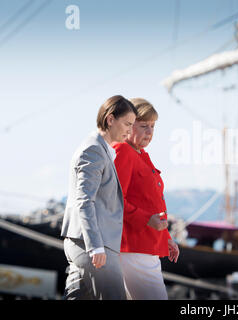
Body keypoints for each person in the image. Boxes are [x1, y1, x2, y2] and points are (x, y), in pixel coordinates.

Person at [61, 95, 137, 299]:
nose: (130, 131)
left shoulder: (101, 149)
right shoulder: (94, 150)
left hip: (86, 244)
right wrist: (95, 246)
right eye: (127, 124)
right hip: (93, 244)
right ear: (110, 119)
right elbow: (84, 201)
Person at [113, 97, 179, 300]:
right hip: (133, 247)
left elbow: (152, 203)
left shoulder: (141, 155)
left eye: (152, 126)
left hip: (144, 247)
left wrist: (166, 238)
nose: (149, 132)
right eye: (143, 126)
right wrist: (146, 220)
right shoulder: (123, 151)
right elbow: (115, 200)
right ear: (128, 125)